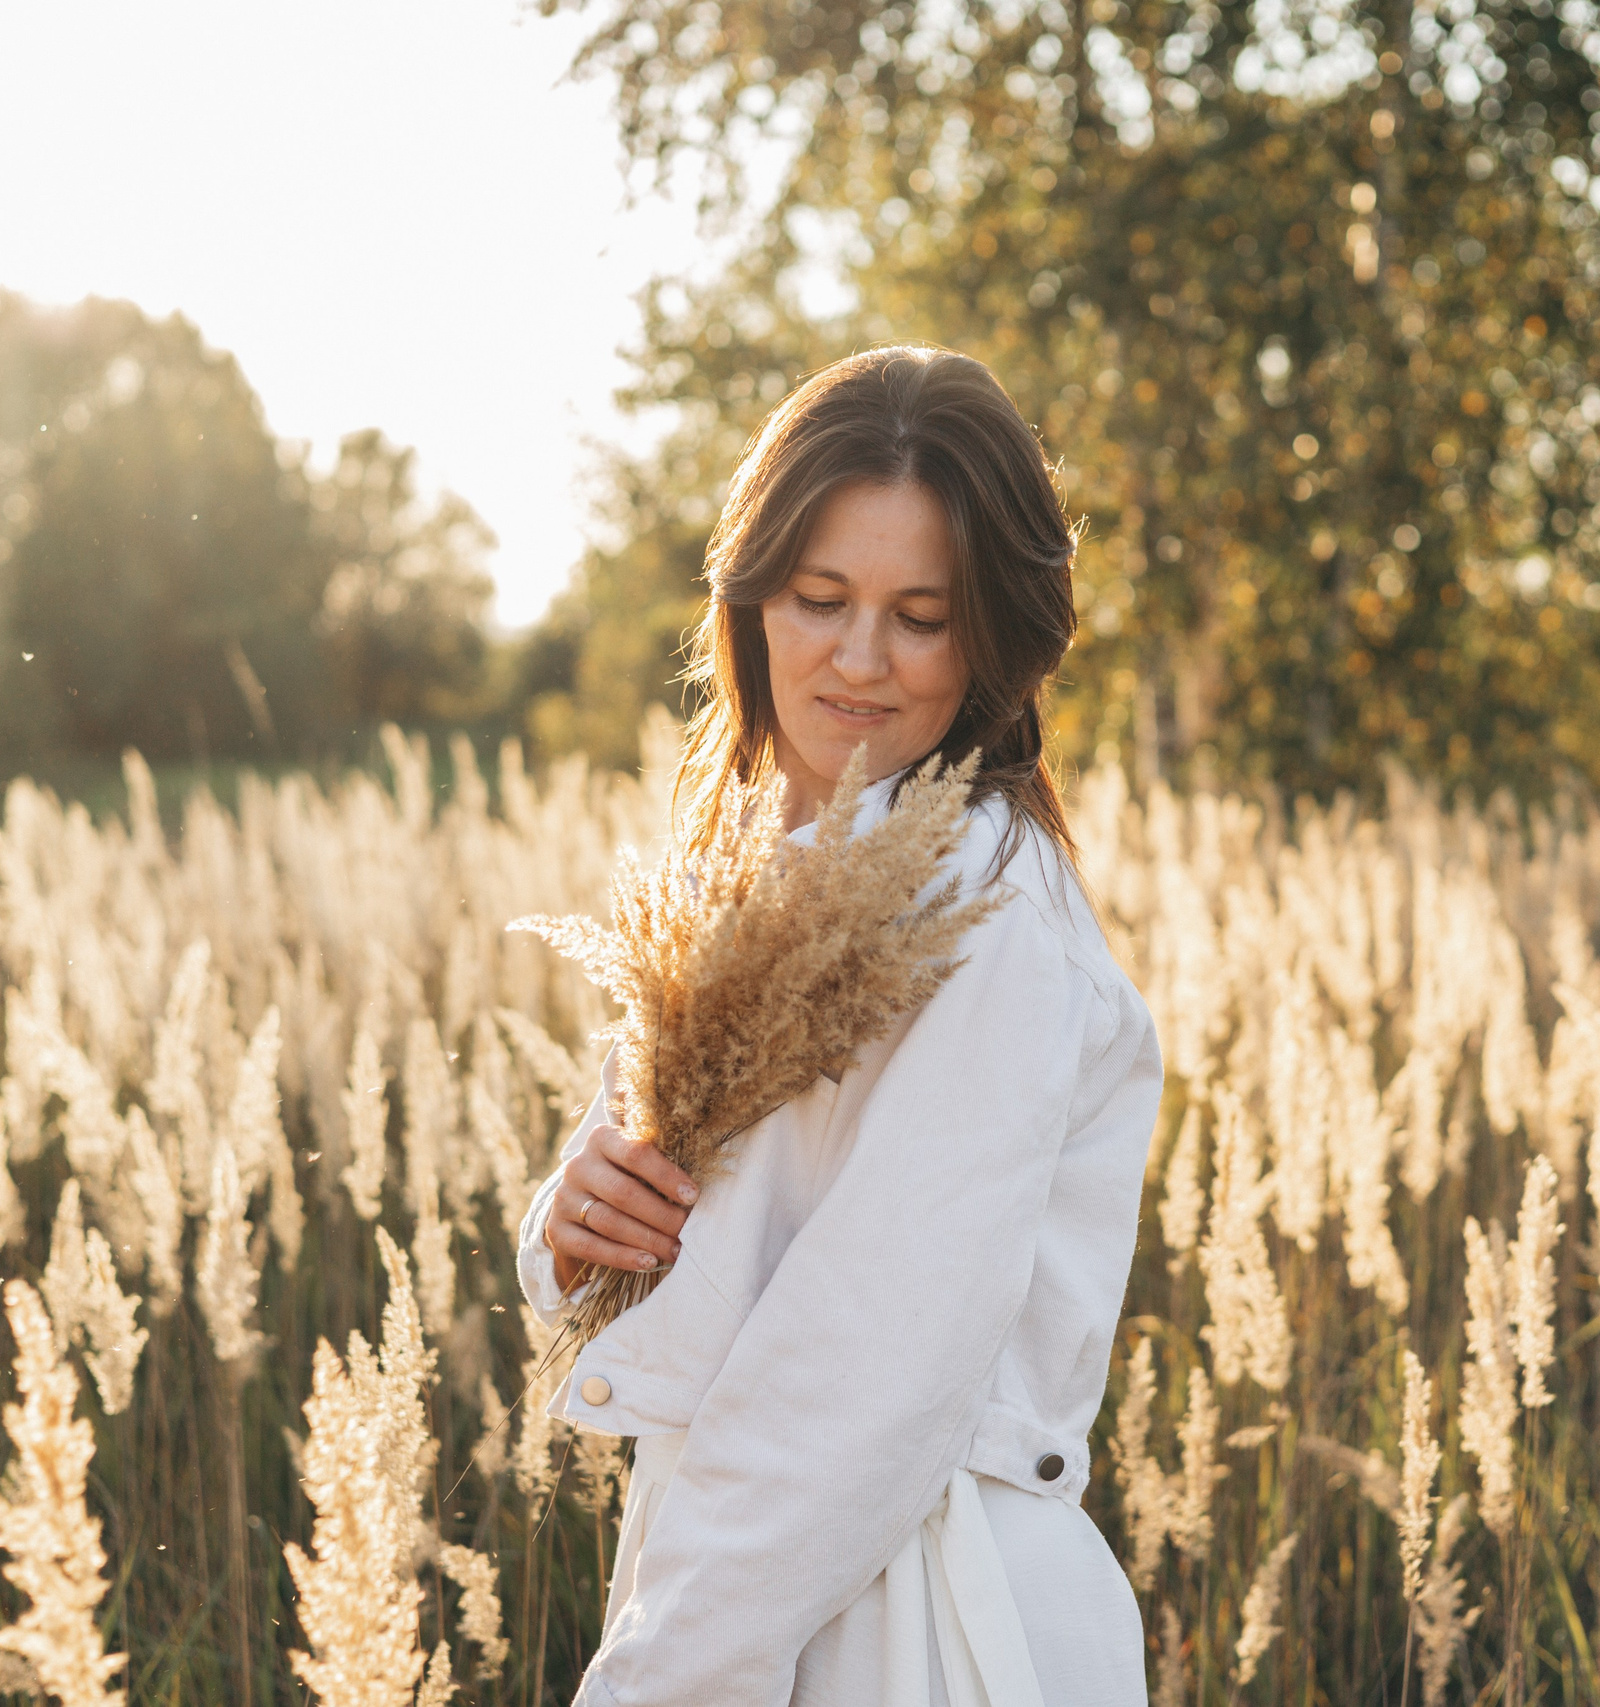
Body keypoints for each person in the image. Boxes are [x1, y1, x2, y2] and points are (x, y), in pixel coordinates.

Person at [517, 345, 1163, 1706]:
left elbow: (859, 1383)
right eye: (821, 600)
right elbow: (660, 1229)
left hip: (917, 1612)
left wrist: (654, 1685)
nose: (859, 660)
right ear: (752, 596)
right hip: (757, 1596)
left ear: (992, 638)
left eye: (921, 618)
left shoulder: (986, 916)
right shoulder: (762, 868)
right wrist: (573, 1227)